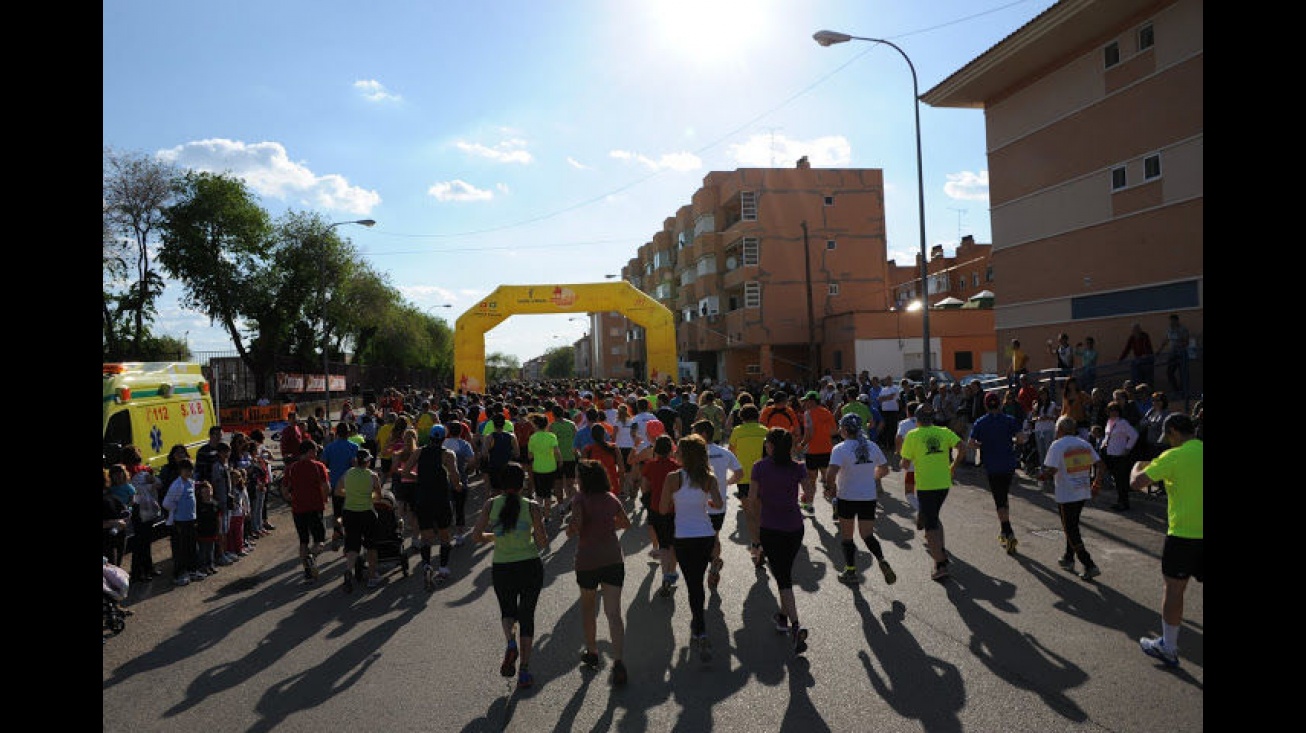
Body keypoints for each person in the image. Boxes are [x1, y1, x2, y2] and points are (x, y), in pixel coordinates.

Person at [1131, 413, 1203, 668]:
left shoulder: (1172, 456)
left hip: (1183, 534)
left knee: (1174, 590)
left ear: (1173, 431)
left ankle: (1169, 647)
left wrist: (1137, 465)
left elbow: (1137, 483)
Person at [471, 462, 549, 690]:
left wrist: (497, 537)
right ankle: (524, 671)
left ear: (502, 484)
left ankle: (510, 642)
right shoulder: (532, 506)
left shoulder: (491, 504)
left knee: (507, 611)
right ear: (523, 482)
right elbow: (543, 542)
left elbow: (476, 536)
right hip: (530, 566)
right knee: (527, 617)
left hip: (503, 567)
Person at [659, 434, 724, 661]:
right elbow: (719, 504)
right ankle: (699, 626)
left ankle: (700, 628)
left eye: (678, 452)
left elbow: (662, 507)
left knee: (693, 585)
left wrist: (677, 504)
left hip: (684, 536)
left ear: (684, 455)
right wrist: (705, 502)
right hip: (705, 533)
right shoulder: (709, 478)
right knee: (698, 580)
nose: (675, 454)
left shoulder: (672, 478)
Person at [566, 460, 632, 683]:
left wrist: (570, 528)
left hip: (587, 561)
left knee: (588, 607)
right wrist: (607, 526)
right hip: (613, 558)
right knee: (614, 613)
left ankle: (592, 652)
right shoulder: (611, 498)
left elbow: (574, 528)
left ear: (583, 480)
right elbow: (626, 523)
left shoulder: (579, 499)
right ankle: (619, 661)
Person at [746, 427, 810, 654]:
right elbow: (809, 496)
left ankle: (795, 625)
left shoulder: (759, 467)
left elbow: (752, 500)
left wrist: (764, 508)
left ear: (770, 446)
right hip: (794, 527)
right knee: (785, 573)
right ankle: (782, 618)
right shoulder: (798, 468)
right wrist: (796, 499)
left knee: (783, 578)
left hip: (771, 527)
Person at [823, 413, 896, 585]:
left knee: (847, 537)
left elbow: (831, 473)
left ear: (845, 429)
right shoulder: (872, 446)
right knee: (867, 535)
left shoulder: (840, 448)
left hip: (847, 497)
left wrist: (829, 488)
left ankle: (851, 571)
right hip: (868, 498)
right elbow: (885, 469)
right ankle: (881, 559)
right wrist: (873, 478)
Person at [898, 405, 965, 581]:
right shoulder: (943, 431)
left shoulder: (913, 435)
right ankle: (939, 549)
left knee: (931, 525)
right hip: (944, 483)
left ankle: (940, 564)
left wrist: (903, 464)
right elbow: (962, 447)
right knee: (933, 516)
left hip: (926, 485)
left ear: (917, 419)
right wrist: (953, 466)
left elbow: (905, 463)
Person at [1039, 416, 1106, 580]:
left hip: (1067, 492)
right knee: (1072, 525)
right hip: (1082, 490)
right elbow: (1101, 464)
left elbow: (1052, 470)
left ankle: (1088, 563)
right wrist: (1096, 482)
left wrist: (1042, 476)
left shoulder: (1058, 445)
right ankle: (1068, 558)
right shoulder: (1084, 443)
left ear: (1059, 429)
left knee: (1070, 529)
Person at [402, 424, 463, 589]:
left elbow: (405, 473)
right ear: (444, 438)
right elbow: (455, 477)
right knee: (444, 535)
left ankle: (427, 565)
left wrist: (420, 478)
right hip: (441, 499)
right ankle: (443, 568)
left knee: (426, 536)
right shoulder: (447, 455)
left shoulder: (419, 451)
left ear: (429, 437)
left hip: (423, 498)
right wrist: (458, 486)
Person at [967, 392, 1027, 554]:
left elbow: (971, 444)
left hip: (992, 466)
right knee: (1003, 497)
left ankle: (1009, 533)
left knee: (999, 500)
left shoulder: (980, 422)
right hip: (1008, 464)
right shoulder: (1009, 420)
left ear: (986, 405)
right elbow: (1021, 439)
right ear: (1000, 404)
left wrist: (983, 445)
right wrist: (1010, 440)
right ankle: (1003, 530)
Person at [691, 419, 741, 590]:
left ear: (703, 434)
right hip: (718, 505)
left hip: (697, 505)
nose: (692, 436)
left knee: (698, 539)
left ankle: (706, 565)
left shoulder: (694, 453)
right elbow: (740, 473)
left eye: (695, 432)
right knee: (714, 537)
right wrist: (726, 483)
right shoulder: (724, 453)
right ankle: (713, 563)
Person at [282, 440, 330, 583]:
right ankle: (312, 558)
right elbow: (325, 486)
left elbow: (284, 490)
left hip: (298, 508)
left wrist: (291, 499)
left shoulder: (291, 468)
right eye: (315, 451)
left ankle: (308, 573)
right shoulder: (318, 466)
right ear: (309, 451)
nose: (316, 454)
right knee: (319, 541)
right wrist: (325, 498)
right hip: (315, 507)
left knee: (303, 541)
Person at [336, 449, 384, 592]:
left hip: (349, 513)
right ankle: (372, 577)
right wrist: (368, 496)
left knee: (352, 545)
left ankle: (348, 570)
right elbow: (378, 496)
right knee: (370, 545)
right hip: (366, 513)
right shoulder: (372, 475)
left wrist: (350, 494)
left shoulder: (348, 473)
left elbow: (338, 491)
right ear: (368, 462)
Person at [728, 403, 768, 567]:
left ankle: (755, 544)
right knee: (762, 513)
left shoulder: (737, 431)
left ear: (742, 417)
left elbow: (731, 451)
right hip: (764, 476)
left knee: (750, 514)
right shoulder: (765, 430)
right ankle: (765, 543)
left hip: (745, 478)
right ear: (757, 416)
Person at [641, 434, 682, 592]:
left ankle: (666, 574)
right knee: (673, 544)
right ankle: (671, 573)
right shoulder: (677, 466)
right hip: (674, 509)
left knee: (664, 545)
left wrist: (648, 502)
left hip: (656, 508)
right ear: (671, 449)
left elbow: (645, 487)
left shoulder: (650, 466)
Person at [123, 446, 163, 581]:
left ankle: (147, 568)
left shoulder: (143, 471)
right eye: (135, 453)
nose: (138, 455)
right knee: (140, 542)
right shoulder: (128, 473)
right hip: (137, 510)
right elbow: (136, 492)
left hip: (146, 509)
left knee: (146, 541)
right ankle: (138, 572)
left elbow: (158, 483)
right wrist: (150, 485)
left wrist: (152, 482)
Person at [161, 458, 200, 587]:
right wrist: (176, 510)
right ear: (180, 471)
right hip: (180, 522)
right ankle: (179, 574)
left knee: (191, 547)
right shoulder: (177, 485)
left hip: (191, 520)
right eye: (186, 470)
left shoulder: (190, 483)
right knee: (180, 549)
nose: (188, 472)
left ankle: (192, 570)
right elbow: (166, 503)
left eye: (190, 470)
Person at [321, 421, 360, 549]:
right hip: (351, 484)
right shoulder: (353, 447)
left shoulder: (329, 448)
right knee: (350, 511)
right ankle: (350, 534)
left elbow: (323, 464)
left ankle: (337, 533)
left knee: (337, 512)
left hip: (335, 484)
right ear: (348, 433)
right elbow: (356, 465)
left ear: (337, 433)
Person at [798, 390, 837, 515]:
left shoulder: (808, 413)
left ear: (812, 401)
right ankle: (835, 504)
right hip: (827, 450)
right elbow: (834, 431)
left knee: (811, 480)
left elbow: (809, 433)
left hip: (812, 451)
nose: (804, 404)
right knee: (828, 480)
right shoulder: (827, 412)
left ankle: (809, 505)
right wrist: (823, 432)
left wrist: (802, 444)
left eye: (806, 401)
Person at [1101, 403, 1140, 511]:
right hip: (1110, 453)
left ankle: (1124, 502)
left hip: (1120, 455)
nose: (1112, 413)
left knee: (1121, 480)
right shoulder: (1109, 422)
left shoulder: (1123, 423)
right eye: (1110, 410)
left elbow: (1134, 435)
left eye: (1115, 410)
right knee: (1117, 480)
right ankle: (1120, 501)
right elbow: (1107, 436)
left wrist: (1127, 448)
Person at [444, 422, 476, 543]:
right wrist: (467, 471)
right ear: (461, 431)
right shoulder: (464, 444)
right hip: (461, 478)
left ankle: (446, 534)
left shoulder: (443, 443)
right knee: (460, 508)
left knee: (447, 506)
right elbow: (472, 461)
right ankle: (459, 535)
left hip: (445, 479)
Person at [526, 413, 563, 518]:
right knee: (548, 494)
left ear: (536, 425)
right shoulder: (552, 436)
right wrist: (560, 462)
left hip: (537, 468)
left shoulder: (532, 437)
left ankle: (538, 516)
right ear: (547, 425)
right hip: (551, 468)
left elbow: (529, 456)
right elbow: (557, 452)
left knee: (539, 494)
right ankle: (547, 516)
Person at [582, 422, 625, 500]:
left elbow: (583, 473)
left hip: (593, 489)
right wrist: (620, 489)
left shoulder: (587, 450)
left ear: (592, 435)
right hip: (612, 487)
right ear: (604, 434)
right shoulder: (614, 448)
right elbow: (622, 470)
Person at [482, 412, 520, 497]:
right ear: (504, 423)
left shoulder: (489, 437)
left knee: (496, 491)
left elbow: (484, 454)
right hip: (508, 467)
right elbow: (517, 453)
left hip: (494, 466)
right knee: (509, 490)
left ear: (493, 423)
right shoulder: (512, 436)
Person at [103, 465, 133, 568]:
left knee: (116, 567)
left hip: (119, 533)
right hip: (106, 539)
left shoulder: (109, 490)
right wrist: (114, 523)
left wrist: (126, 514)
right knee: (111, 569)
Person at [194, 480, 222, 578]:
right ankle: (203, 567)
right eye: (204, 492)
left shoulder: (215, 504)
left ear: (212, 491)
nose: (207, 494)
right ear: (200, 494)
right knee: (203, 551)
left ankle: (210, 565)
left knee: (211, 550)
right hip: (202, 532)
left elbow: (219, 518)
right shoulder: (198, 505)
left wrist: (219, 530)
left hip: (212, 531)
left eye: (208, 491)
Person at [1160, 314, 1191, 399]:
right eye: (1170, 321)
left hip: (1181, 354)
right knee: (1169, 372)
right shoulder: (1169, 330)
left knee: (1183, 374)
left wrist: (1178, 337)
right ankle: (1176, 390)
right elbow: (1166, 340)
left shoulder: (1183, 329)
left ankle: (1184, 392)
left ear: (1177, 321)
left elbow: (1186, 342)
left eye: (1173, 321)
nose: (1171, 322)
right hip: (1172, 354)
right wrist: (1159, 350)